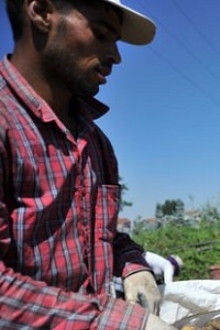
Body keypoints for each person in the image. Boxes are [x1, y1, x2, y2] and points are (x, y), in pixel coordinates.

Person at [0, 0, 176, 329]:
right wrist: (116, 323)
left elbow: (97, 234)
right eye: (101, 33)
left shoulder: (94, 142)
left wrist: (130, 262)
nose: (116, 55)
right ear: (40, 12)